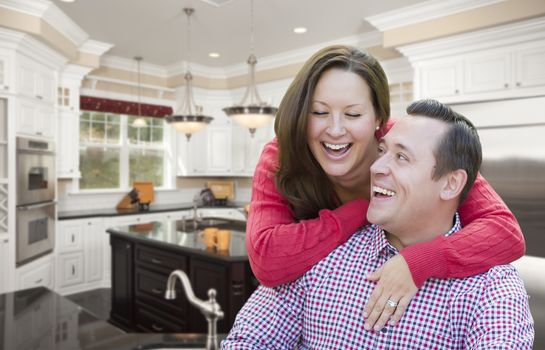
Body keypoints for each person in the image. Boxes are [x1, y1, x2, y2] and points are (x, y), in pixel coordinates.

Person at [246, 45, 525, 329]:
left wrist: (418, 261)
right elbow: (267, 259)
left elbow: (504, 232)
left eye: (353, 115)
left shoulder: (404, 141)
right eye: (318, 112)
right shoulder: (282, 155)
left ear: (378, 118)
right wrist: (362, 208)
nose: (335, 129)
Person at [223, 99, 534, 349]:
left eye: (401, 158)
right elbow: (247, 340)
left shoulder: (492, 289)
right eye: (383, 151)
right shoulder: (324, 251)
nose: (376, 166)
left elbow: (506, 231)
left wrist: (419, 261)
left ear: (451, 184)